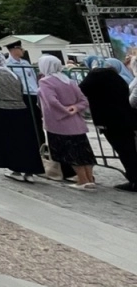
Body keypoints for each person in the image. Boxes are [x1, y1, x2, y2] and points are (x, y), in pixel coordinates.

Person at [0, 52, 44, 183]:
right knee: (23, 139)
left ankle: (15, 168)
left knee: (6, 139)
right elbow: (21, 90)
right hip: (19, 108)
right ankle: (30, 170)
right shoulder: (13, 74)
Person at [37, 55, 96, 190]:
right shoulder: (69, 81)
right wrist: (74, 108)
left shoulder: (46, 81)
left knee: (71, 152)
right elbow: (83, 101)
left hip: (59, 123)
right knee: (83, 151)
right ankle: (89, 178)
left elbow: (51, 101)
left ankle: (82, 180)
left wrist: (63, 111)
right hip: (76, 121)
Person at [80, 57, 137, 192]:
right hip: (125, 120)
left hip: (110, 121)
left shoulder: (95, 76)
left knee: (125, 152)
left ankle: (135, 180)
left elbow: (79, 91)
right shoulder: (117, 77)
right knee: (129, 151)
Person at [5, 41, 43, 143]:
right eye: (20, 48)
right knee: (26, 121)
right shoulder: (7, 64)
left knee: (38, 121)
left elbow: (33, 78)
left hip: (34, 93)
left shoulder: (25, 63)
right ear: (13, 49)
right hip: (22, 95)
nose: (23, 50)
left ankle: (41, 143)